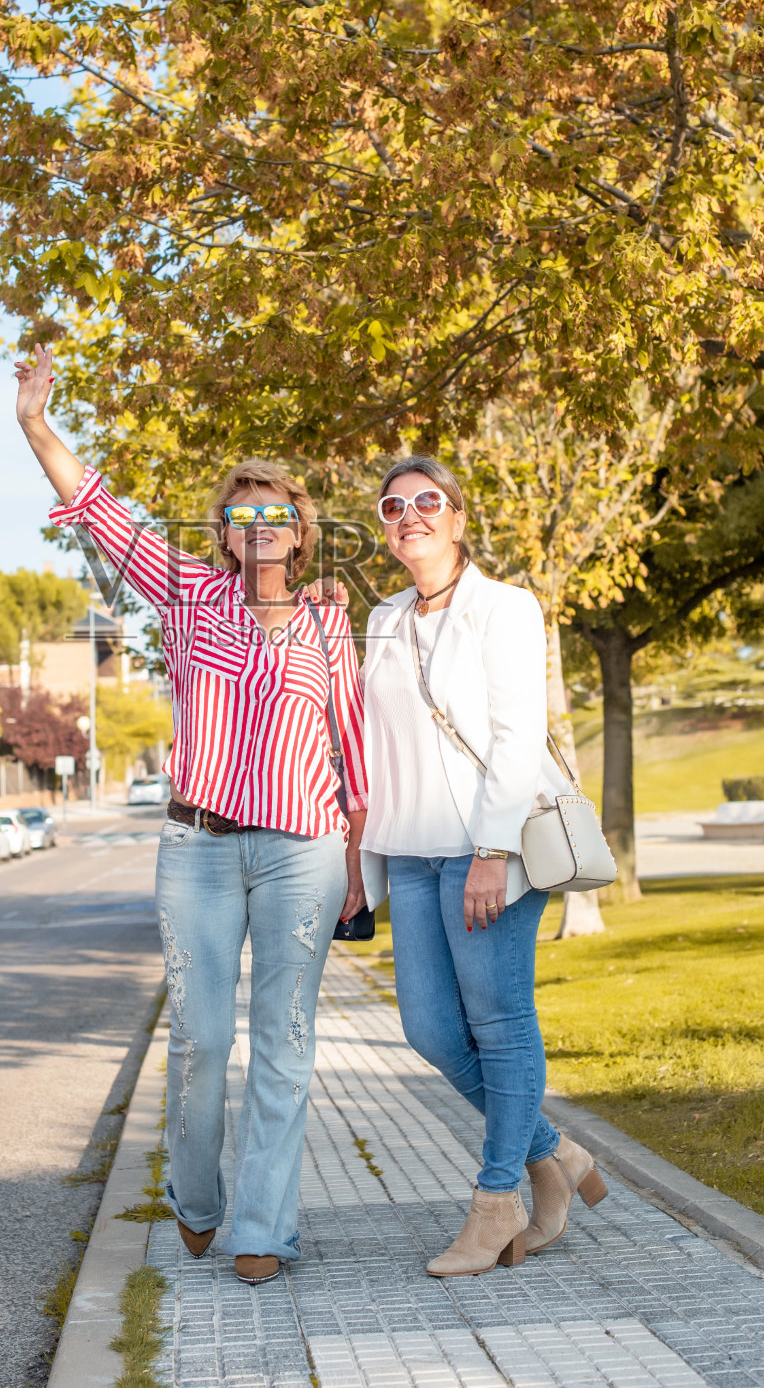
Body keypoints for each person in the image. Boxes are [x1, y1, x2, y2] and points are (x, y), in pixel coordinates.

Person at [15, 344, 368, 1285]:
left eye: (278, 514)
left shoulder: (333, 621)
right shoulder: (185, 595)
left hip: (305, 849)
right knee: (203, 1037)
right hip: (199, 846)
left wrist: (360, 861)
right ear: (223, 531)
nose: (260, 525)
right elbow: (99, 505)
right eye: (242, 513)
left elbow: (353, 747)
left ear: (300, 533)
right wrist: (37, 424)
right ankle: (199, 1199)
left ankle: (263, 1228)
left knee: (285, 1038)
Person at [358, 455, 607, 1276]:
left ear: (459, 518)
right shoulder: (382, 618)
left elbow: (514, 735)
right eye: (394, 506)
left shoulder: (506, 607)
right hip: (417, 853)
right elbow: (373, 746)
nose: (410, 516)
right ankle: (555, 1156)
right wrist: (366, 859)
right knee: (428, 1028)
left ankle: (497, 1199)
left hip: (488, 850)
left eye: (428, 501)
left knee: (500, 1026)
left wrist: (493, 853)